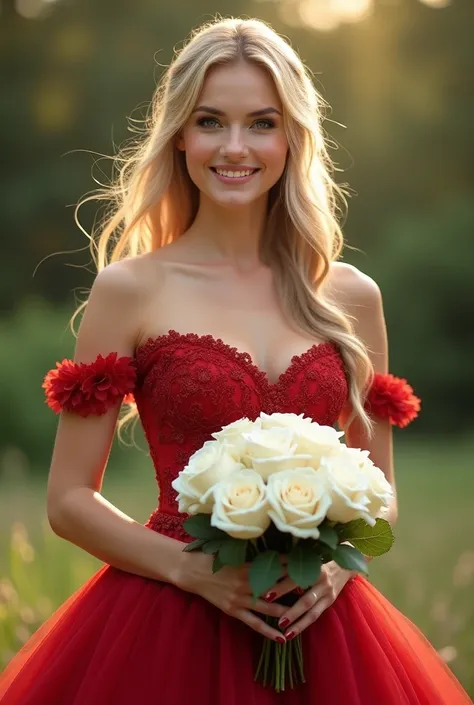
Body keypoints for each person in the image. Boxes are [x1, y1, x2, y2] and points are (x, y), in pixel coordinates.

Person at [0, 15, 471, 705]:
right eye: (211, 121)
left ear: (292, 137)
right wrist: (192, 570)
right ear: (180, 135)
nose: (235, 146)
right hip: (168, 616)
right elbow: (68, 499)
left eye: (261, 122)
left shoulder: (351, 297)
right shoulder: (130, 289)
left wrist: (338, 570)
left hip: (322, 627)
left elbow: (383, 490)